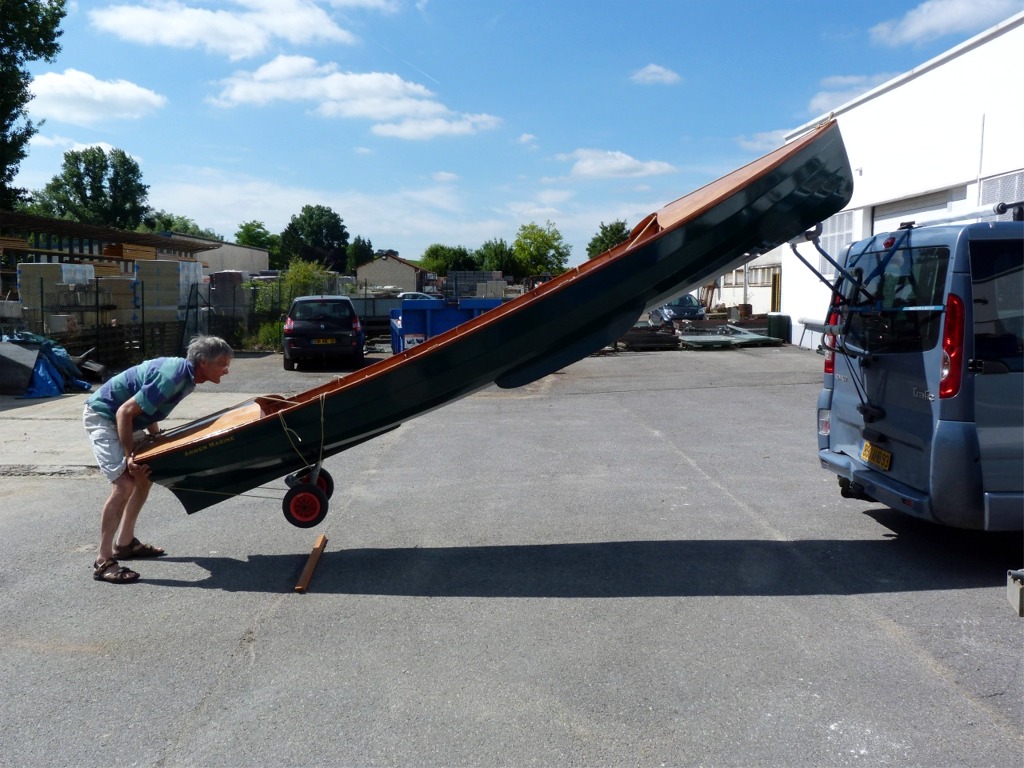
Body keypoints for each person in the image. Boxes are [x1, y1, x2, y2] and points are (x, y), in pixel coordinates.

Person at [83, 335, 233, 584]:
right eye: (222, 363)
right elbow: (124, 412)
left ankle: (125, 543)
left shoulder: (187, 377)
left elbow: (147, 405)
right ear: (203, 362)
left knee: (144, 475)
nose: (226, 370)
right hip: (105, 416)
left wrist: (156, 438)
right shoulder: (173, 376)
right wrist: (130, 455)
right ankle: (103, 560)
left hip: (126, 419)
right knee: (124, 484)